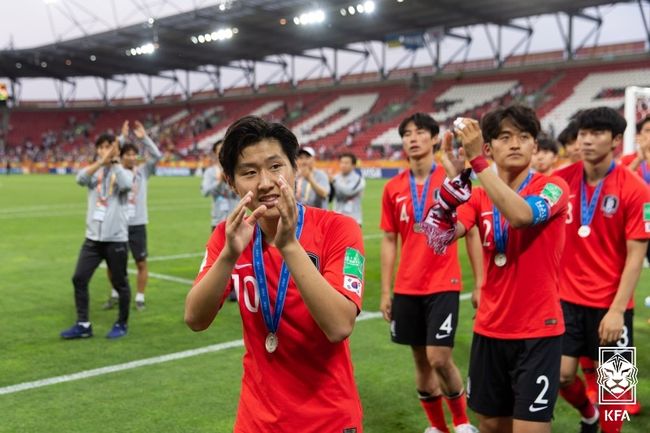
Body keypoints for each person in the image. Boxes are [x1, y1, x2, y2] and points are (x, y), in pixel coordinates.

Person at [185, 116, 365, 432]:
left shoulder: (339, 229)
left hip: (329, 419)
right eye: (249, 173)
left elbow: (339, 325)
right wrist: (228, 254)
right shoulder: (229, 237)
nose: (265, 182)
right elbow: (195, 319)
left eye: (275, 167)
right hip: (256, 419)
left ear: (294, 169)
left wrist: (289, 246)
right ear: (231, 182)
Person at [425, 105, 570, 433]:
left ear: (535, 145)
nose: (516, 143)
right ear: (489, 147)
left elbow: (520, 216)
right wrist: (452, 187)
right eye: (505, 137)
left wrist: (477, 165)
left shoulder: (553, 187)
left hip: (539, 332)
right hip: (490, 329)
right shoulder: (477, 198)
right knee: (490, 425)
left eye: (524, 136)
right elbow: (438, 238)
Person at [553, 107, 650, 433]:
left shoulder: (637, 190)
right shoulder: (560, 182)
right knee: (561, 376)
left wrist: (617, 310)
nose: (587, 141)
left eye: (597, 134)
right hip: (565, 301)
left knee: (616, 386)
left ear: (616, 140)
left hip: (611, 305)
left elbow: (636, 257)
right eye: (583, 134)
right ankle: (588, 413)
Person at [380, 113, 476, 433]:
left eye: (420, 132)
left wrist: (483, 282)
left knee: (438, 358)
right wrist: (385, 291)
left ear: (435, 139)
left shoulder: (449, 180)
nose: (413, 138)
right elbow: (389, 239)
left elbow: (470, 229)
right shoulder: (393, 188)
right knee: (420, 360)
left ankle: (461, 422)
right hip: (408, 286)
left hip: (442, 282)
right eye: (407, 134)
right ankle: (439, 428)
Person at [60, 134, 133, 340]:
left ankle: (121, 323)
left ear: (116, 150)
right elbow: (79, 178)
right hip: (93, 239)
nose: (105, 150)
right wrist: (101, 162)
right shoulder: (95, 173)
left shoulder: (123, 172)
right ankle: (83, 324)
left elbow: (127, 184)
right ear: (98, 151)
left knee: (120, 283)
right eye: (101, 147)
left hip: (116, 239)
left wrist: (115, 162)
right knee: (79, 278)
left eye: (109, 146)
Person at [103, 120, 162, 311]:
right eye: (126, 154)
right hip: (117, 223)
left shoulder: (143, 172)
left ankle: (139, 297)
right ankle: (114, 294)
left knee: (141, 262)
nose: (130, 157)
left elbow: (157, 156)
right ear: (120, 157)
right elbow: (108, 155)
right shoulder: (114, 172)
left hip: (137, 224)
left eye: (132, 153)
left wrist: (144, 138)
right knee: (113, 264)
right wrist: (120, 138)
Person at [201, 139, 240, 232]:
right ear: (214, 153)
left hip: (238, 220)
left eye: (225, 150)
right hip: (218, 221)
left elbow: (244, 193)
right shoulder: (210, 172)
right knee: (218, 247)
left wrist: (231, 183)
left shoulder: (238, 171)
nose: (223, 154)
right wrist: (219, 182)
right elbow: (205, 192)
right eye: (220, 151)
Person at [332, 152, 366, 225]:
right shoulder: (336, 177)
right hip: (337, 219)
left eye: (346, 163)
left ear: (353, 165)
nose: (343, 165)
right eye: (342, 162)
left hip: (353, 220)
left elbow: (348, 191)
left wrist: (334, 182)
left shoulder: (359, 180)